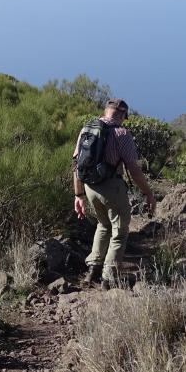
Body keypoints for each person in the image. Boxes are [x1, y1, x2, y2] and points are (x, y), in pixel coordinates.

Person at [73, 98, 156, 288]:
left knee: (103, 225)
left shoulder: (87, 129)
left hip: (90, 188)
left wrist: (78, 196)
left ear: (105, 110)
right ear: (123, 115)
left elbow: (76, 164)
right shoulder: (122, 134)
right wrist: (149, 194)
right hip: (112, 188)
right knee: (119, 231)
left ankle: (93, 270)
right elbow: (134, 170)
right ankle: (108, 278)